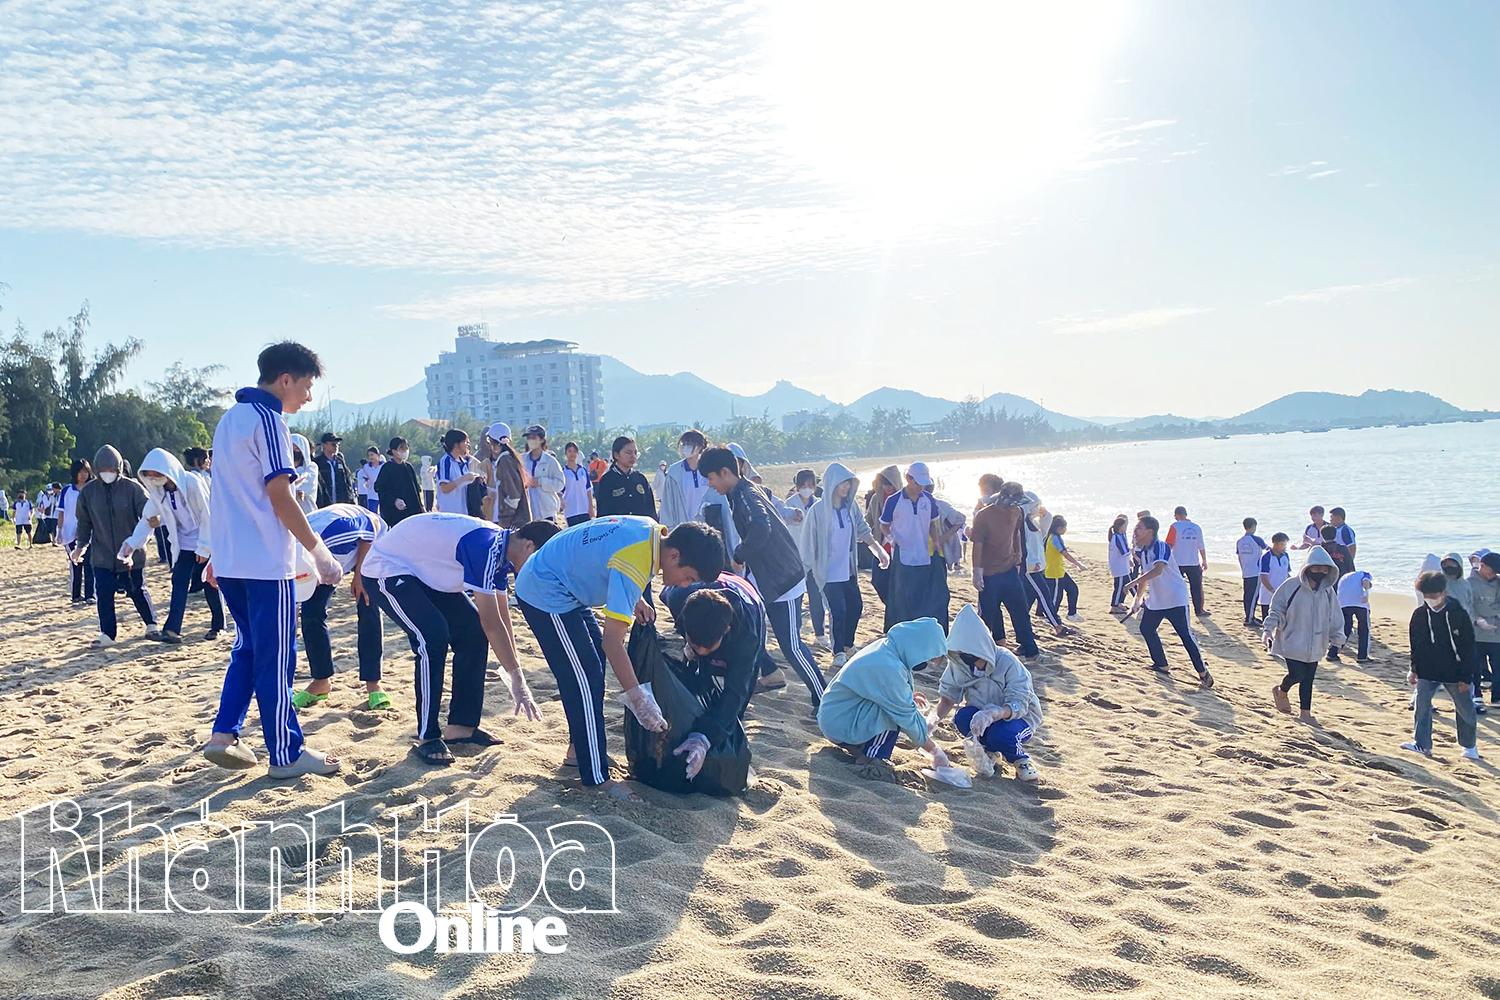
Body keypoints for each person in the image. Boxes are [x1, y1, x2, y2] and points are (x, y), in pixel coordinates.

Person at [200, 342, 343, 779]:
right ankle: (285, 754)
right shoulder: (269, 421)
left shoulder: (229, 420)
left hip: (233, 560)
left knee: (247, 648)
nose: (308, 397)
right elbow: (279, 496)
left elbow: (224, 496)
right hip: (264, 562)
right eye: (305, 386)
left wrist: (214, 553)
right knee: (276, 658)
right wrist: (319, 553)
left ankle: (224, 734)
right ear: (285, 380)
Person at [514, 516, 719, 799]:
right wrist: (638, 697)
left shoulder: (651, 532)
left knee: (593, 669)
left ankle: (580, 750)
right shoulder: (636, 560)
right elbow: (612, 642)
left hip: (566, 582)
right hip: (546, 591)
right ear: (674, 555)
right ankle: (595, 778)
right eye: (689, 577)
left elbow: (606, 556)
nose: (684, 585)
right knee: (583, 679)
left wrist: (635, 598)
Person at [362, 513, 550, 763]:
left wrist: (517, 675)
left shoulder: (504, 552)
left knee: (473, 632)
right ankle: (427, 736)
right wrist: (517, 680)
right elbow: (493, 623)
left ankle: (461, 727)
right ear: (529, 546)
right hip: (386, 568)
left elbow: (502, 619)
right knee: (432, 637)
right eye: (540, 562)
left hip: (424, 572)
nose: (539, 571)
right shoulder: (486, 547)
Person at [700, 446, 826, 708]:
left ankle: (824, 698)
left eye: (711, 478)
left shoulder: (746, 495)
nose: (711, 485)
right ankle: (770, 673)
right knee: (747, 629)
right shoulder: (742, 492)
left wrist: (739, 553)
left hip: (783, 578)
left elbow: (760, 526)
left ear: (725, 472)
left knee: (791, 645)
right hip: (766, 579)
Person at [816, 617, 954, 779]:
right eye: (927, 657)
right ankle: (870, 759)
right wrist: (935, 751)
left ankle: (859, 750)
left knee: (897, 708)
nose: (925, 663)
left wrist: (908, 696)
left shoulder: (887, 648)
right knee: (894, 716)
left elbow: (876, 689)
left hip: (836, 716)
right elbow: (906, 717)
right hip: (840, 723)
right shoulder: (889, 666)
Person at [293, 502, 391, 711]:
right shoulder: (288, 555)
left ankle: (374, 685)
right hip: (325, 559)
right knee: (311, 613)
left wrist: (359, 574)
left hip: (370, 544)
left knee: (367, 603)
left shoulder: (336, 532)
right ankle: (321, 681)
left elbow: (369, 531)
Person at [931, 604, 1044, 780]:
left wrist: (995, 713)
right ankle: (990, 751)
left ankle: (1020, 759)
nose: (972, 664)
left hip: (1018, 717)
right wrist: (931, 722)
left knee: (1002, 735)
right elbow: (948, 697)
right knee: (962, 718)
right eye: (964, 658)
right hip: (980, 713)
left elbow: (1020, 701)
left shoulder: (1006, 661)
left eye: (974, 657)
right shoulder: (959, 665)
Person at [129, 447, 224, 643]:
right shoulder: (159, 492)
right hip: (183, 544)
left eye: (157, 475)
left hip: (207, 539)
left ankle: (218, 625)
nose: (154, 479)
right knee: (179, 582)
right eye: (150, 476)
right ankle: (172, 629)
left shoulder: (192, 483)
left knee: (210, 582)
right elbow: (148, 519)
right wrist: (132, 544)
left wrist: (205, 548)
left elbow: (208, 516)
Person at [71, 446, 162, 646]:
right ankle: (108, 634)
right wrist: (80, 547)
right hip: (102, 554)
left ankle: (151, 625)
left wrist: (154, 520)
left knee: (137, 589)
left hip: (131, 553)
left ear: (119, 468)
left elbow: (147, 512)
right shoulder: (88, 492)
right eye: (103, 469)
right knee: (103, 593)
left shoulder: (133, 488)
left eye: (111, 469)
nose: (107, 473)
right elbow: (84, 523)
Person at [802, 463, 889, 667]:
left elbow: (863, 530)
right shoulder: (817, 511)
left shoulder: (851, 507)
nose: (846, 487)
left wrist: (879, 552)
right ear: (832, 483)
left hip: (847, 569)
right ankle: (838, 650)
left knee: (856, 607)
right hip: (827, 571)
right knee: (838, 611)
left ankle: (848, 643)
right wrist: (805, 570)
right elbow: (808, 542)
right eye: (842, 483)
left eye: (848, 483)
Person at [1124, 516, 1213, 687]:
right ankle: (1162, 664)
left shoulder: (1161, 546)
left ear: (1150, 531)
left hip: (1175, 599)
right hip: (1157, 601)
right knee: (1146, 628)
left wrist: (1132, 582)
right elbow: (1145, 577)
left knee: (1185, 636)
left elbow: (1158, 570)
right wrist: (1137, 599)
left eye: (1139, 528)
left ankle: (1203, 673)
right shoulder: (1144, 551)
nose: (1135, 532)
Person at [1402, 572, 1479, 761]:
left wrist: (1466, 677)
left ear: (1443, 592)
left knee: (1465, 709)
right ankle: (1422, 744)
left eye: (1433, 595)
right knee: (1422, 706)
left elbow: (1468, 646)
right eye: (1426, 596)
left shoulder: (1457, 613)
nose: (1430, 599)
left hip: (1455, 670)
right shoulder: (1420, 614)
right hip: (1427, 670)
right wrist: (1414, 669)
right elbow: (1416, 644)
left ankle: (1469, 746)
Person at [1262, 546, 1344, 724]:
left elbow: (1335, 616)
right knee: (1297, 674)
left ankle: (1305, 714)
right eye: (1316, 567)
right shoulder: (1291, 586)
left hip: (1316, 643)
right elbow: (1276, 609)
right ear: (1308, 567)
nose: (1320, 571)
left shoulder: (1328, 591)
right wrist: (1268, 629)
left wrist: (1338, 638)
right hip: (1292, 641)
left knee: (1309, 679)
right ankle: (1281, 691)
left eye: (1324, 568)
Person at [970, 481, 1040, 658]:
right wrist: (977, 572)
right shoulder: (984, 515)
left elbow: (1016, 534)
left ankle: (1028, 648)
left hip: (1009, 570)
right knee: (988, 614)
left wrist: (1018, 557)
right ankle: (983, 651)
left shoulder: (1016, 511)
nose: (1015, 505)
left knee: (1020, 610)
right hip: (989, 573)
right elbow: (977, 544)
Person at [878, 462, 943, 630]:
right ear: (908, 479)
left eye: (923, 483)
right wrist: (892, 539)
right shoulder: (894, 500)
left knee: (924, 594)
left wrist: (936, 542)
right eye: (918, 482)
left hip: (924, 554)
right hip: (902, 554)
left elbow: (932, 524)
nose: (921, 487)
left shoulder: (928, 499)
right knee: (901, 597)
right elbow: (883, 524)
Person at [784, 469, 829, 649]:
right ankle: (795, 632)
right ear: (797, 486)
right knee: (796, 597)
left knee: (816, 597)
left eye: (811, 485)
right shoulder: (789, 504)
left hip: (815, 558)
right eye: (803, 486)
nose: (807, 489)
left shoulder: (819, 505)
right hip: (795, 558)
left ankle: (819, 633)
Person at [865, 464, 901, 627]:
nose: (888, 487)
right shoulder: (875, 499)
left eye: (891, 484)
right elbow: (869, 519)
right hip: (880, 549)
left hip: (898, 550)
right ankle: (893, 608)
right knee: (878, 581)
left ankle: (893, 617)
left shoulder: (903, 498)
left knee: (897, 586)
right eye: (885, 484)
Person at [57, 459, 95, 605]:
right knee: (76, 564)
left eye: (85, 471)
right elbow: (61, 512)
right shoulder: (67, 490)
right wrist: (59, 531)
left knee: (89, 563)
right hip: (70, 532)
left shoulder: (93, 488)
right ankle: (76, 594)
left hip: (90, 532)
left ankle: (90, 594)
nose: (83, 475)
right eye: (80, 472)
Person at [658, 429, 712, 528]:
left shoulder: (710, 470)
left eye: (690, 444)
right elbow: (667, 504)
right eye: (684, 444)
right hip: (682, 527)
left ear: (700, 447)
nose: (686, 447)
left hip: (706, 527)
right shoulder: (674, 472)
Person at [593, 435, 657, 519]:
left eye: (635, 452)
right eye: (628, 453)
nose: (633, 456)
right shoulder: (607, 481)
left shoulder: (641, 479)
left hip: (640, 530)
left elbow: (651, 510)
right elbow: (603, 515)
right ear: (616, 455)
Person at [1164, 506, 1209, 617]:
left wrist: (1165, 559)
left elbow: (1168, 544)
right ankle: (1199, 610)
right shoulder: (1196, 527)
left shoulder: (1175, 526)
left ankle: (1172, 607)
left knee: (1175, 586)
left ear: (1177, 515)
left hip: (1178, 562)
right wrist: (1204, 560)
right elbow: (1201, 546)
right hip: (1193, 562)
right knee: (1197, 587)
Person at [1469, 552, 1500, 708]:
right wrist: (1478, 619)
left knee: (1497, 666)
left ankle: (1497, 697)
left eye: (1496, 572)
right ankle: (1477, 695)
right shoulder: (1469, 582)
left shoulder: (1498, 582)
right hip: (1476, 633)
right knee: (1475, 667)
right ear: (1482, 565)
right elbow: (1467, 605)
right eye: (1491, 570)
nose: (1493, 574)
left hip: (1496, 632)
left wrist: (1491, 612)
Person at [485, 422, 531, 528]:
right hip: (516, 520)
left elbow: (513, 495)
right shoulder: (510, 458)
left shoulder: (505, 460)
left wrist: (506, 517)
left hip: (513, 522)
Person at [521, 425, 566, 524]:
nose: (531, 440)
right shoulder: (522, 459)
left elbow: (560, 484)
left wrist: (541, 482)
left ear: (541, 440)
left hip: (547, 511)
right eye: (529, 438)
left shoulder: (550, 461)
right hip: (527, 511)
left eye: (534, 438)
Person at [373, 436, 422, 527]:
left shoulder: (408, 467)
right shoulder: (387, 468)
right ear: (394, 451)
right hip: (395, 514)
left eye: (406, 448)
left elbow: (415, 490)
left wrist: (420, 509)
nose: (405, 451)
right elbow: (380, 488)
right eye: (402, 448)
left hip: (411, 513)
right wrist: (394, 500)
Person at [1042, 515, 1084, 621]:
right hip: (1053, 572)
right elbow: (1065, 553)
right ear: (1059, 528)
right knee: (1057, 596)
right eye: (1064, 527)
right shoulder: (1054, 537)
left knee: (1073, 589)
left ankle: (1072, 614)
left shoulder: (1051, 536)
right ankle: (1051, 616)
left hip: (1059, 571)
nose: (1065, 530)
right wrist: (1078, 564)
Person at [434, 428, 478, 515]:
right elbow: (444, 488)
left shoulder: (464, 462)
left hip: (463, 512)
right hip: (449, 512)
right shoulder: (446, 461)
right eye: (466, 442)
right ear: (456, 444)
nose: (468, 445)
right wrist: (463, 479)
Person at [1235, 517, 1269, 626]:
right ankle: (1249, 619)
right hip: (1255, 571)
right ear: (1253, 526)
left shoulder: (1239, 541)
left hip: (1246, 571)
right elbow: (1268, 549)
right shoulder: (1256, 539)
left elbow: (1239, 556)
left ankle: (1250, 616)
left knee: (1247, 595)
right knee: (1254, 596)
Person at [1337, 568, 1374, 665]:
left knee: (1345, 629)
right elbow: (1366, 582)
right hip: (1360, 603)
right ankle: (1362, 656)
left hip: (1343, 604)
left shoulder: (1344, 577)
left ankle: (1333, 653)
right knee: (1364, 629)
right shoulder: (1365, 574)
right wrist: (1366, 593)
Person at [1257, 533, 1292, 621]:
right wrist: (1273, 590)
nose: (1284, 547)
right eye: (1283, 544)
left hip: (1283, 594)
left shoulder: (1285, 556)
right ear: (1275, 544)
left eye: (1285, 544)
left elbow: (1287, 574)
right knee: (1268, 621)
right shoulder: (1266, 557)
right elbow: (1263, 577)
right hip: (1268, 595)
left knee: (1282, 621)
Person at [313, 432, 354, 507]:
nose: (336, 447)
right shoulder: (317, 462)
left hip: (341, 504)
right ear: (324, 445)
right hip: (323, 505)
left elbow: (347, 482)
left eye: (338, 445)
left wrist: (351, 500)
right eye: (333, 444)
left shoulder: (340, 461)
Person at [560, 441, 594, 527]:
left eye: (574, 451)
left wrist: (590, 507)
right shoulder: (563, 472)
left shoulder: (583, 470)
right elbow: (560, 491)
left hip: (584, 509)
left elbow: (588, 490)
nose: (572, 454)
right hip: (570, 510)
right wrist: (561, 501)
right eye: (570, 451)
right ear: (566, 453)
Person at [1106, 514, 1133, 614]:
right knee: (1119, 586)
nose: (1126, 528)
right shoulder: (1117, 537)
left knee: (1130, 583)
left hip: (1123, 566)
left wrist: (1129, 560)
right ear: (1120, 527)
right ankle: (1114, 606)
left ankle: (1138, 601)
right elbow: (1125, 552)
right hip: (1119, 567)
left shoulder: (1120, 536)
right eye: (1125, 526)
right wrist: (1134, 550)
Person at [289, 433, 318, 514]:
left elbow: (304, 484)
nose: (294, 450)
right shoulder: (284, 469)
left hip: (307, 512)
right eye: (292, 447)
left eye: (297, 448)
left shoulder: (311, 467)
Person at [355, 445, 383, 512]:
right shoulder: (366, 467)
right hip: (372, 494)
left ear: (377, 455)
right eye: (369, 455)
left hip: (383, 494)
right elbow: (365, 478)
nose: (370, 457)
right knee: (372, 514)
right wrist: (366, 483)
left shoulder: (384, 466)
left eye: (372, 455)